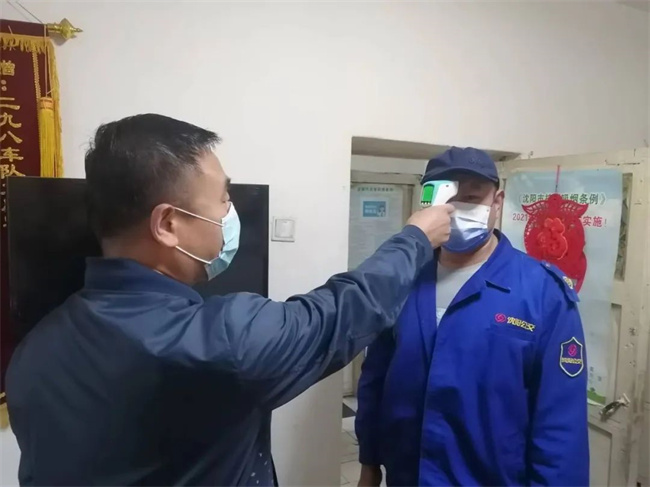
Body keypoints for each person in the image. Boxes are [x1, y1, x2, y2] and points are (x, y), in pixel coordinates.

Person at [6, 114, 454, 486]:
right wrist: (416, 237)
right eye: (223, 199)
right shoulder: (221, 341)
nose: (229, 214)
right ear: (167, 224)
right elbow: (342, 312)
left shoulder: (34, 352)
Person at [355, 147, 589, 487]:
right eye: (446, 197)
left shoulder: (543, 293)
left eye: (471, 197)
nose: (454, 210)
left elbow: (560, 423)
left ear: (497, 202)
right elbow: (375, 377)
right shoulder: (403, 279)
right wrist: (369, 463)